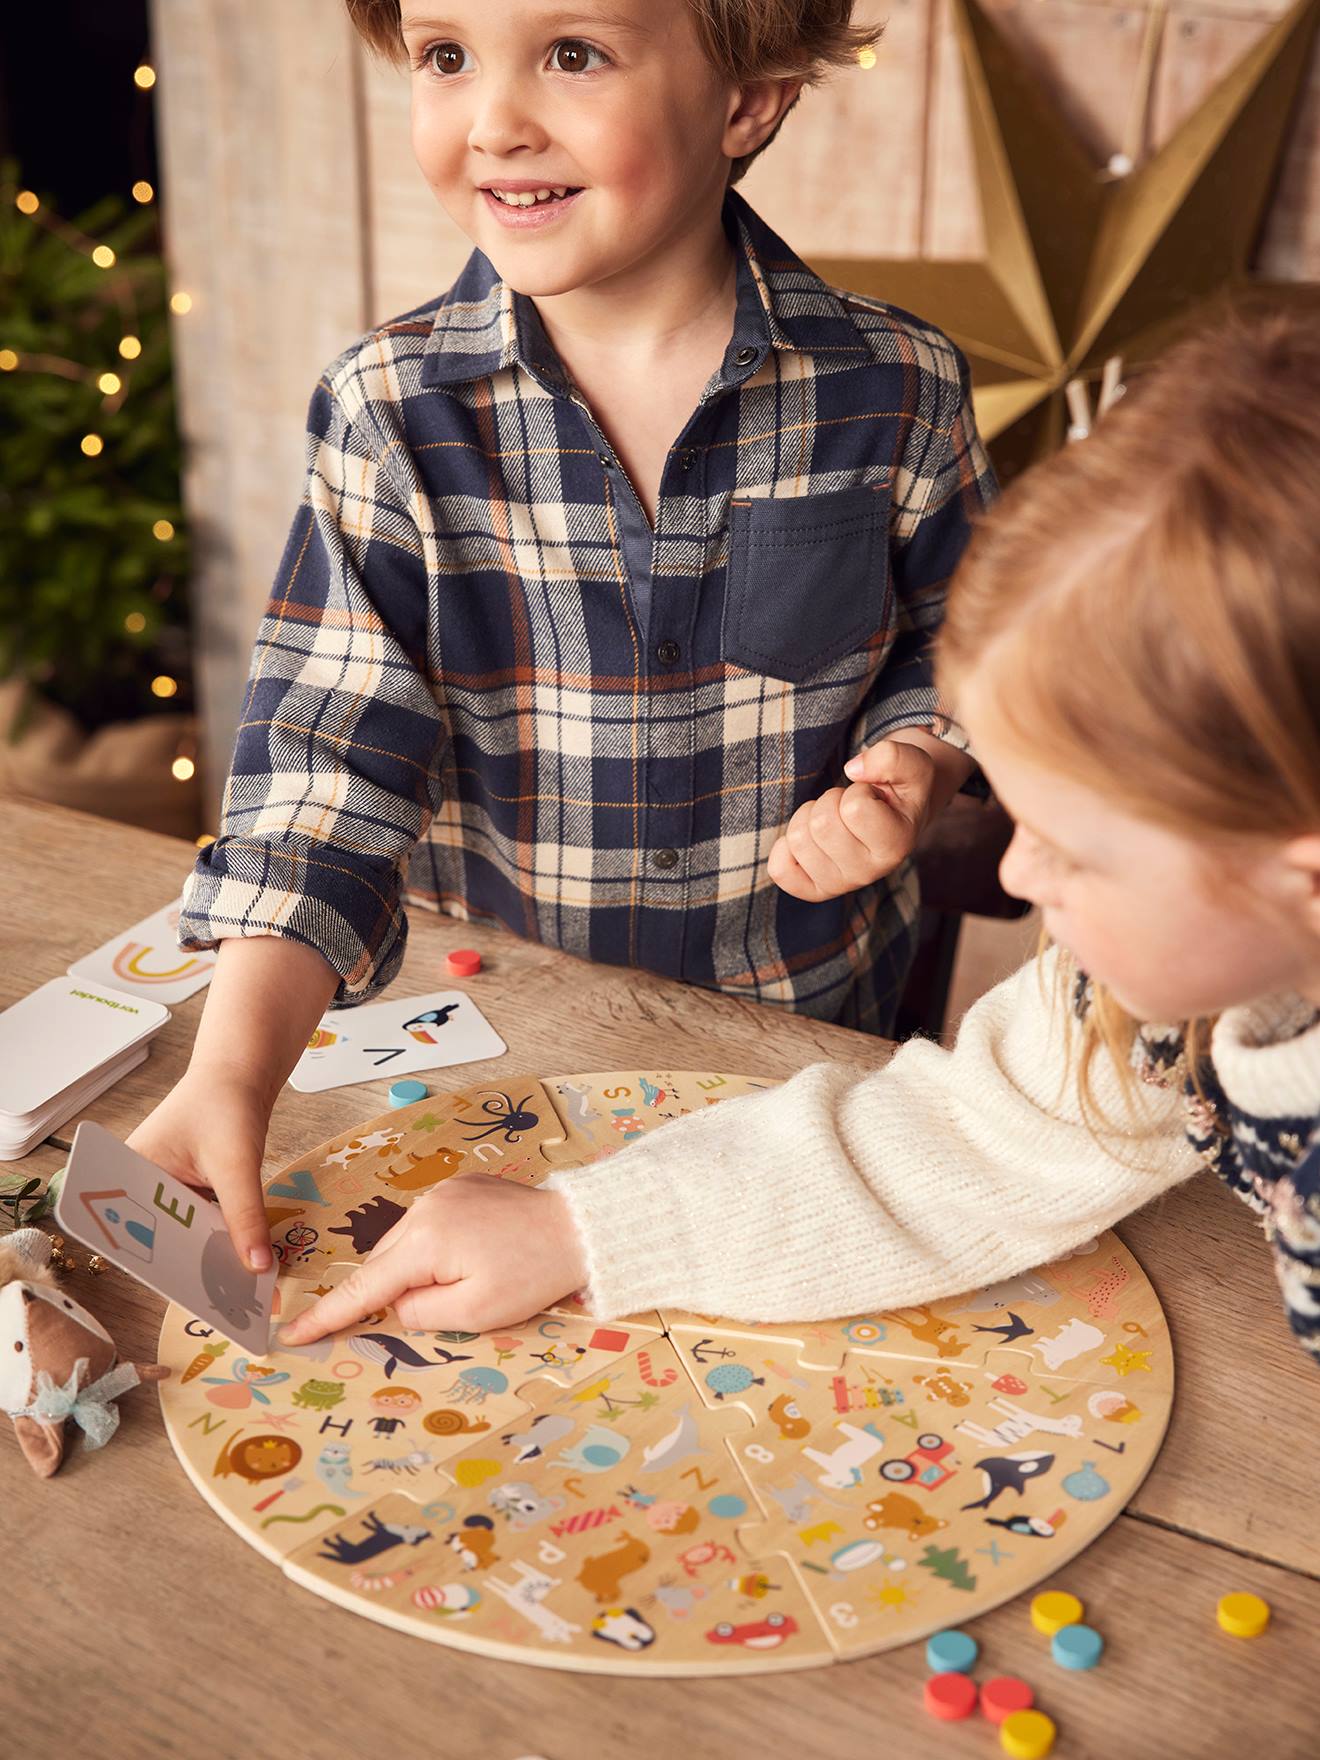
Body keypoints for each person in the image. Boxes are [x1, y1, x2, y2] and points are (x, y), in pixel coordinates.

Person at [278, 310, 1320, 1370]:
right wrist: (574, 1228)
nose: (1013, 871)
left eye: (1073, 847)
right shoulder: (1154, 1007)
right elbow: (969, 1145)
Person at [130, 0, 994, 1273]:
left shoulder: (898, 388)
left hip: (798, 1064)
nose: (493, 123)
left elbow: (967, 652)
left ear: (748, 101)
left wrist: (914, 764)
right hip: (501, 1062)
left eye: (572, 54)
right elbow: (326, 770)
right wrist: (231, 1069)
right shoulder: (392, 412)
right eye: (445, 57)